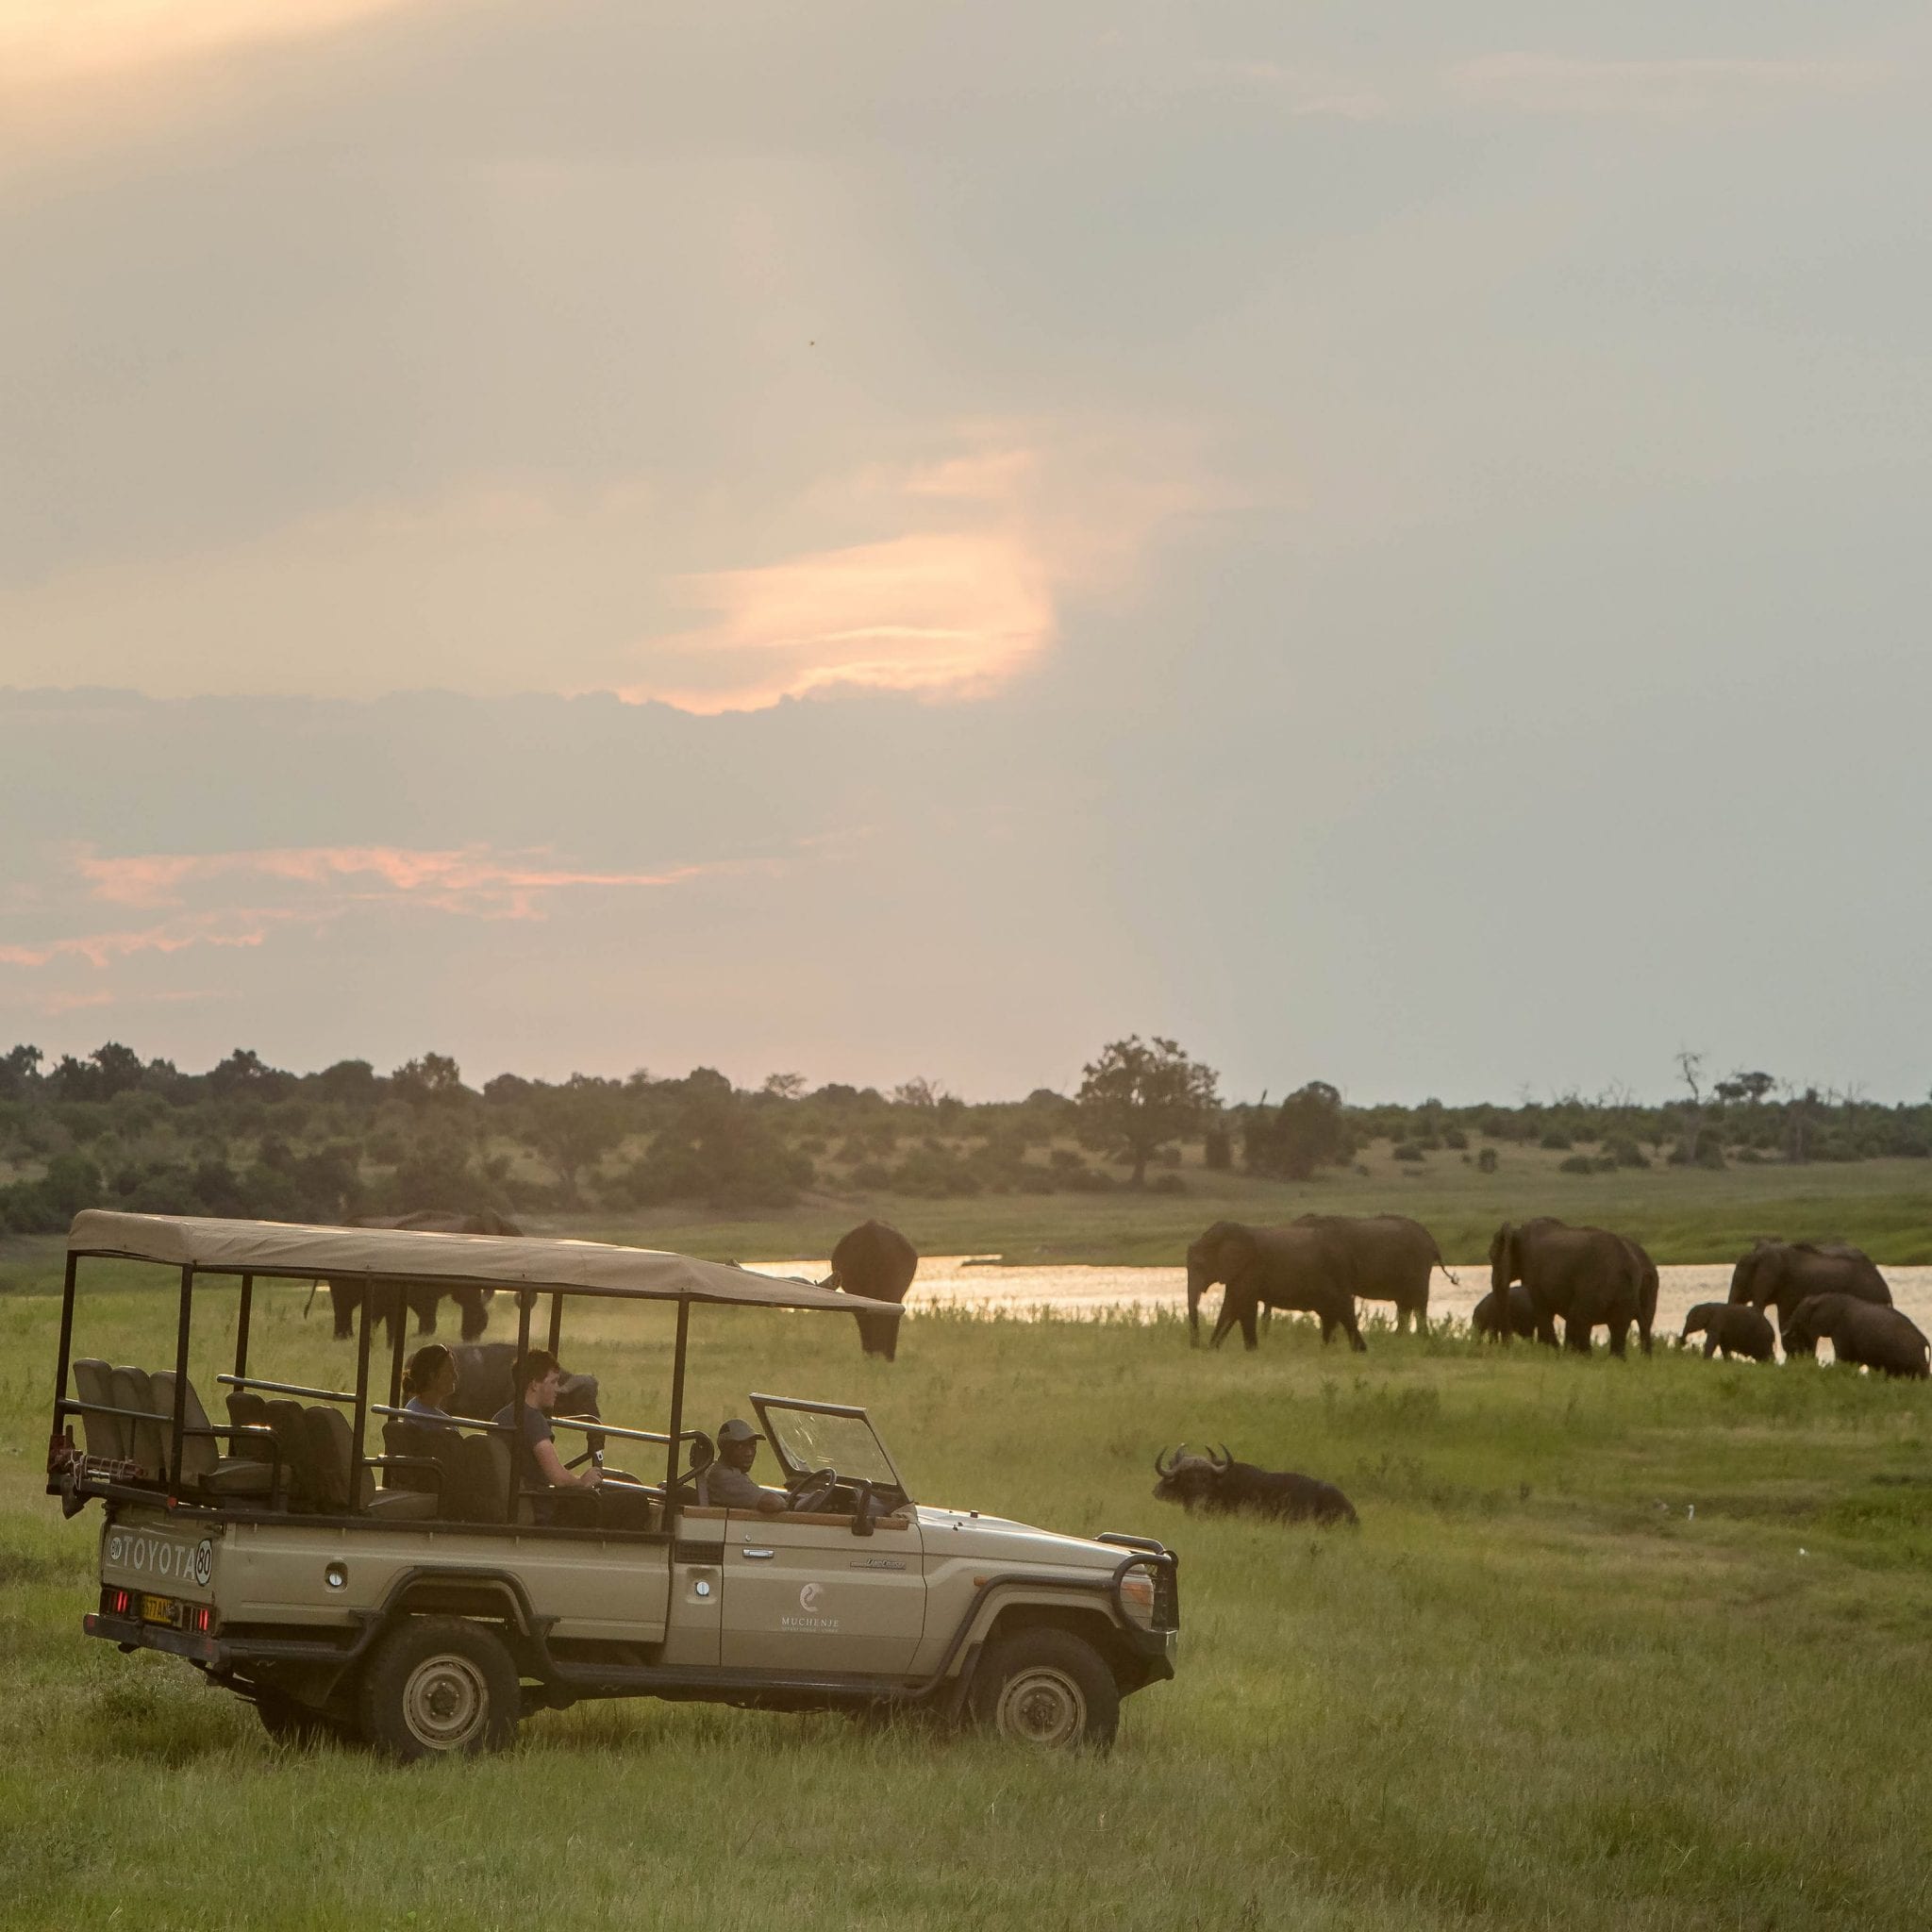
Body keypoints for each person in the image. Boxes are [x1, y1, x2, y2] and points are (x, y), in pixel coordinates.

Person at [492, 1349, 604, 1506]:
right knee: (634, 1500)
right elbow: (558, 1478)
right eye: (553, 1382)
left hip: (517, 1500)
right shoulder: (533, 1420)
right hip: (540, 1505)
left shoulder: (500, 1416)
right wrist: (583, 1481)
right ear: (534, 1385)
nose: (557, 1388)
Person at [701, 1418, 787, 1513]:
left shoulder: (716, 1468)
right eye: (740, 1446)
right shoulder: (724, 1477)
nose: (749, 1453)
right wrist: (788, 1504)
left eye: (752, 1445)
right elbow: (773, 1503)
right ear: (725, 1448)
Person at [401, 1343, 458, 1427]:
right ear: (432, 1376)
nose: (455, 1376)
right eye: (449, 1371)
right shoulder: (446, 1426)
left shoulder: (411, 1408)